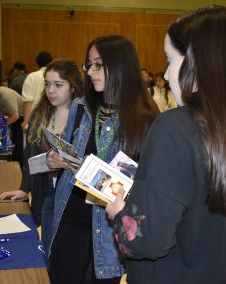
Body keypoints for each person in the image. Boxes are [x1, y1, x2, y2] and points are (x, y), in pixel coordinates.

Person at [106, 6, 226, 283]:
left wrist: (120, 215)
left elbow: (146, 241)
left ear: (197, 62)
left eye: (170, 61)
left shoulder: (176, 126)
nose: (166, 75)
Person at [47, 35, 159, 283]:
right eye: (89, 65)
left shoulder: (145, 119)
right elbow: (65, 150)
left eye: (99, 64)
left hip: (109, 227)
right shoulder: (80, 107)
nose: (90, 72)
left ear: (120, 66)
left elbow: (145, 184)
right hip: (71, 216)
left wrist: (95, 176)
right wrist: (56, 161)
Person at [0, 58, 83, 253]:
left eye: (58, 85)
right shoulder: (40, 113)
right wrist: (24, 188)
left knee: (70, 254)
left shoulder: (84, 116)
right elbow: (30, 157)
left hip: (74, 197)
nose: (51, 90)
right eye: (47, 84)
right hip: (47, 192)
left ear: (73, 86)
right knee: (48, 249)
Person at [0, 84, 24, 168]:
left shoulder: (6, 97)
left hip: (21, 116)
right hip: (16, 115)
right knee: (14, 140)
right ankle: (14, 160)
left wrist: (4, 125)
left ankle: (19, 164)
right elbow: (3, 108)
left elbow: (15, 115)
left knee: (17, 142)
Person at [21, 51, 52, 132]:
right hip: (52, 121)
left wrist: (25, 122)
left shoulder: (31, 77)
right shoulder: (56, 76)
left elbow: (28, 101)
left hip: (34, 122)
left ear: (37, 63)